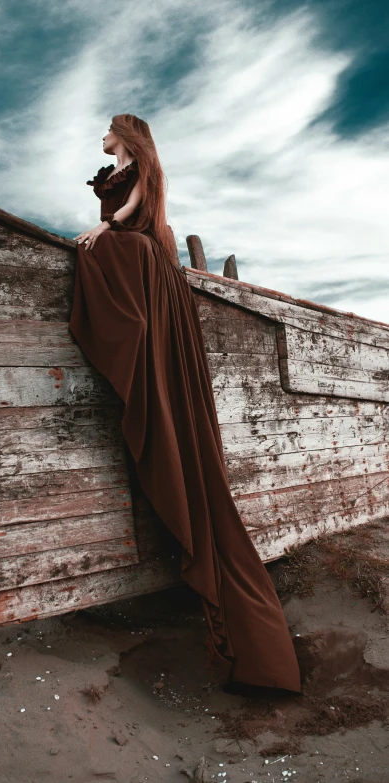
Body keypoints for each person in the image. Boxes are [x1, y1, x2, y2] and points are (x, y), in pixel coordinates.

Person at [69, 114, 301, 693]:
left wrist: (104, 230)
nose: (101, 136)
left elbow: (131, 210)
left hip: (141, 253)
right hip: (138, 255)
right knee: (100, 257)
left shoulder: (143, 170)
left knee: (103, 256)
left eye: (107, 128)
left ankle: (134, 354)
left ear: (126, 133)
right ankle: (133, 357)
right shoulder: (114, 169)